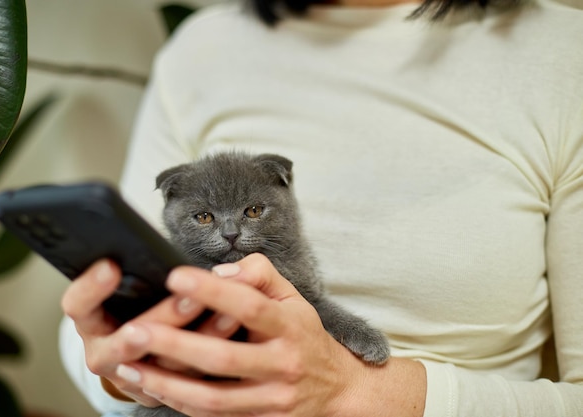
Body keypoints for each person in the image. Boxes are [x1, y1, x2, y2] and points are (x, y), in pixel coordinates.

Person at [59, 0, 583, 415]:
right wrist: (130, 370)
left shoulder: (562, 53)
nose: (230, 231)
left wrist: (353, 394)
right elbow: (92, 331)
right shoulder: (201, 48)